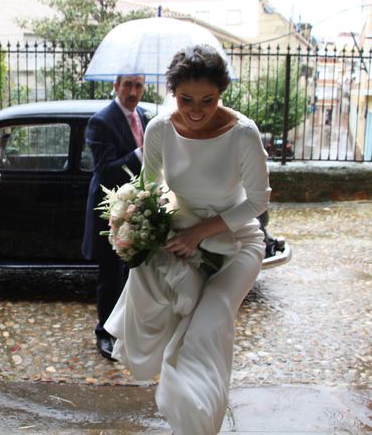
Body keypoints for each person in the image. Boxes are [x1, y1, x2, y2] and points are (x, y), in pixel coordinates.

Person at [104, 45, 271, 434]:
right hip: (184, 239)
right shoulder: (161, 128)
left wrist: (202, 231)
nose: (196, 111)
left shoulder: (243, 134)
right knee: (179, 320)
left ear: (222, 93)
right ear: (172, 93)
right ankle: (192, 415)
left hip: (238, 243)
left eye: (208, 100)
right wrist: (135, 222)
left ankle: (199, 422)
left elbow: (259, 202)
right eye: (186, 100)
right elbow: (149, 186)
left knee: (209, 322)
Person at [82, 74, 148, 360]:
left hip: (139, 205)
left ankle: (128, 327)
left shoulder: (144, 115)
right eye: (128, 85)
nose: (133, 92)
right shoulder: (101, 121)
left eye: (139, 85)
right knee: (111, 274)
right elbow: (105, 169)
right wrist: (139, 153)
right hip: (110, 209)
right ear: (116, 86)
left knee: (136, 272)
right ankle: (105, 333)